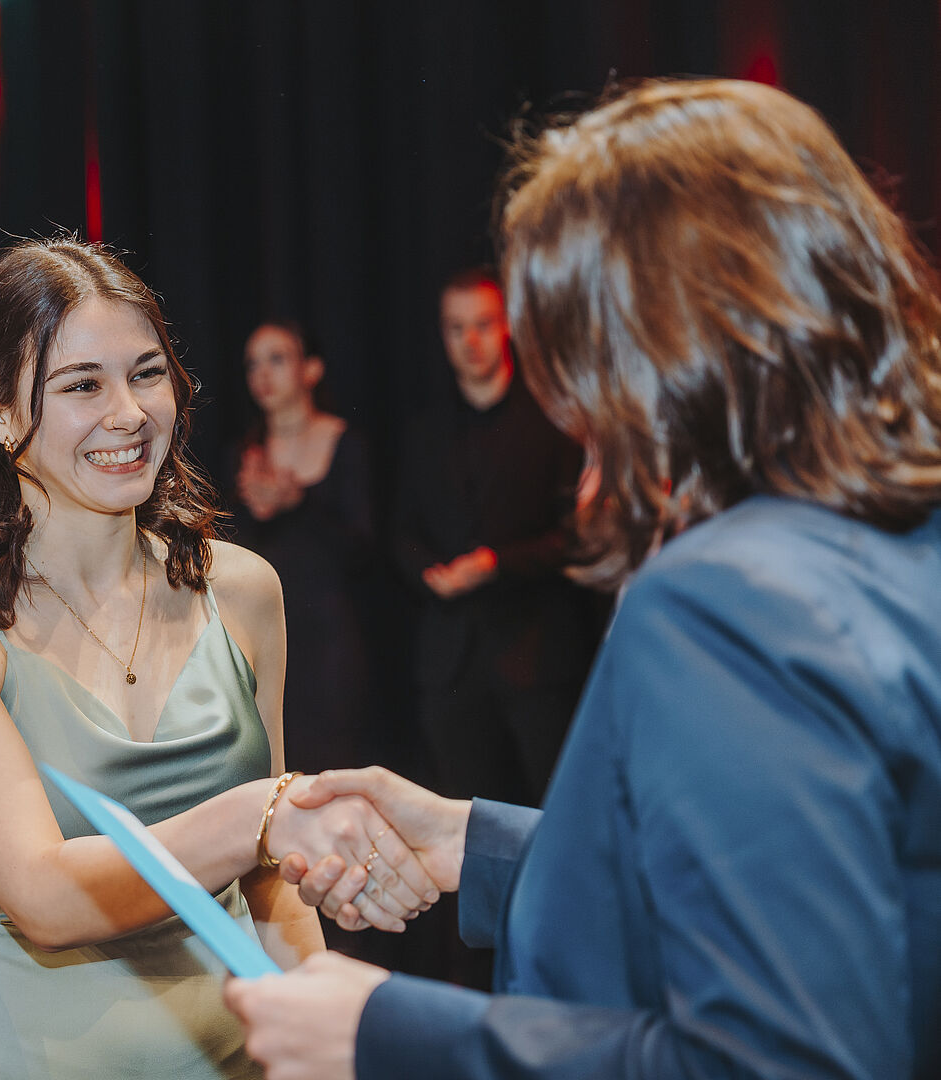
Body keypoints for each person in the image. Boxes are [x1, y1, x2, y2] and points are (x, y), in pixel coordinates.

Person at [223, 78, 941, 1080]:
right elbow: (825, 889)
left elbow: (778, 1060)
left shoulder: (729, 602)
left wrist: (384, 1033)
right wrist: (474, 844)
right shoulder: (893, 530)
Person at [0, 238, 437, 1078]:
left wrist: (324, 1047)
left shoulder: (243, 590)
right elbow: (45, 897)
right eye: (82, 385)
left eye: (147, 374)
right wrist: (264, 814)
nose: (130, 414)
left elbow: (272, 885)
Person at [393, 268, 596, 810]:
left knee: (555, 813)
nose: (471, 340)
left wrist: (496, 563)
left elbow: (577, 537)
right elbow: (402, 533)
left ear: (507, 326)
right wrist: (429, 572)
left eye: (482, 324)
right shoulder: (425, 431)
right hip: (451, 663)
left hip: (537, 655)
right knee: (467, 822)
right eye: (456, 327)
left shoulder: (553, 421)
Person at [230, 321, 384, 776]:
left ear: (311, 369)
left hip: (329, 638)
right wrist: (255, 512)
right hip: (264, 636)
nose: (262, 374)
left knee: (330, 767)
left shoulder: (345, 443)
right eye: (252, 364)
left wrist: (298, 503)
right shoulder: (244, 454)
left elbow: (363, 550)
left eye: (277, 359)